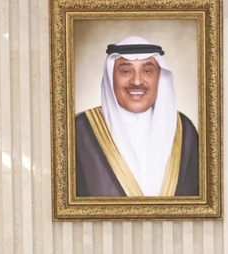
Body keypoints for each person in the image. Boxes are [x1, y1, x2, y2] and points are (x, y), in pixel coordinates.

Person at [74, 36, 200, 197]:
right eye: (126, 71)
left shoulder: (184, 129)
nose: (137, 81)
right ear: (111, 77)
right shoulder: (80, 130)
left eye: (147, 71)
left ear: (159, 77)